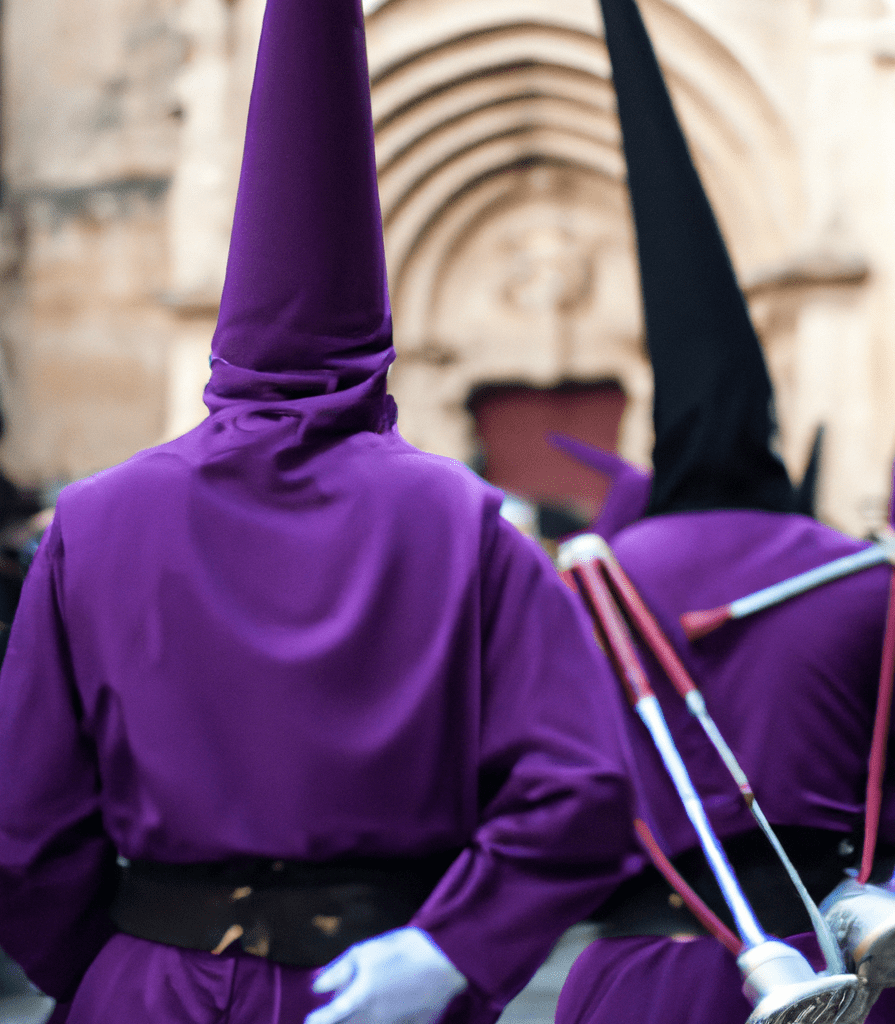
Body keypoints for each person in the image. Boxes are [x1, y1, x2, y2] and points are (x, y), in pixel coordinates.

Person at [0, 2, 637, 1023]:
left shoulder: (91, 522)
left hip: (145, 984)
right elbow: (584, 791)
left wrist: (117, 966)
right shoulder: (469, 521)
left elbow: (24, 828)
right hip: (384, 990)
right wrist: (448, 952)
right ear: (380, 324)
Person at [553, 1, 895, 1021]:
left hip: (635, 978)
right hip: (832, 958)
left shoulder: (581, 587)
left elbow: (539, 802)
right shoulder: (863, 580)